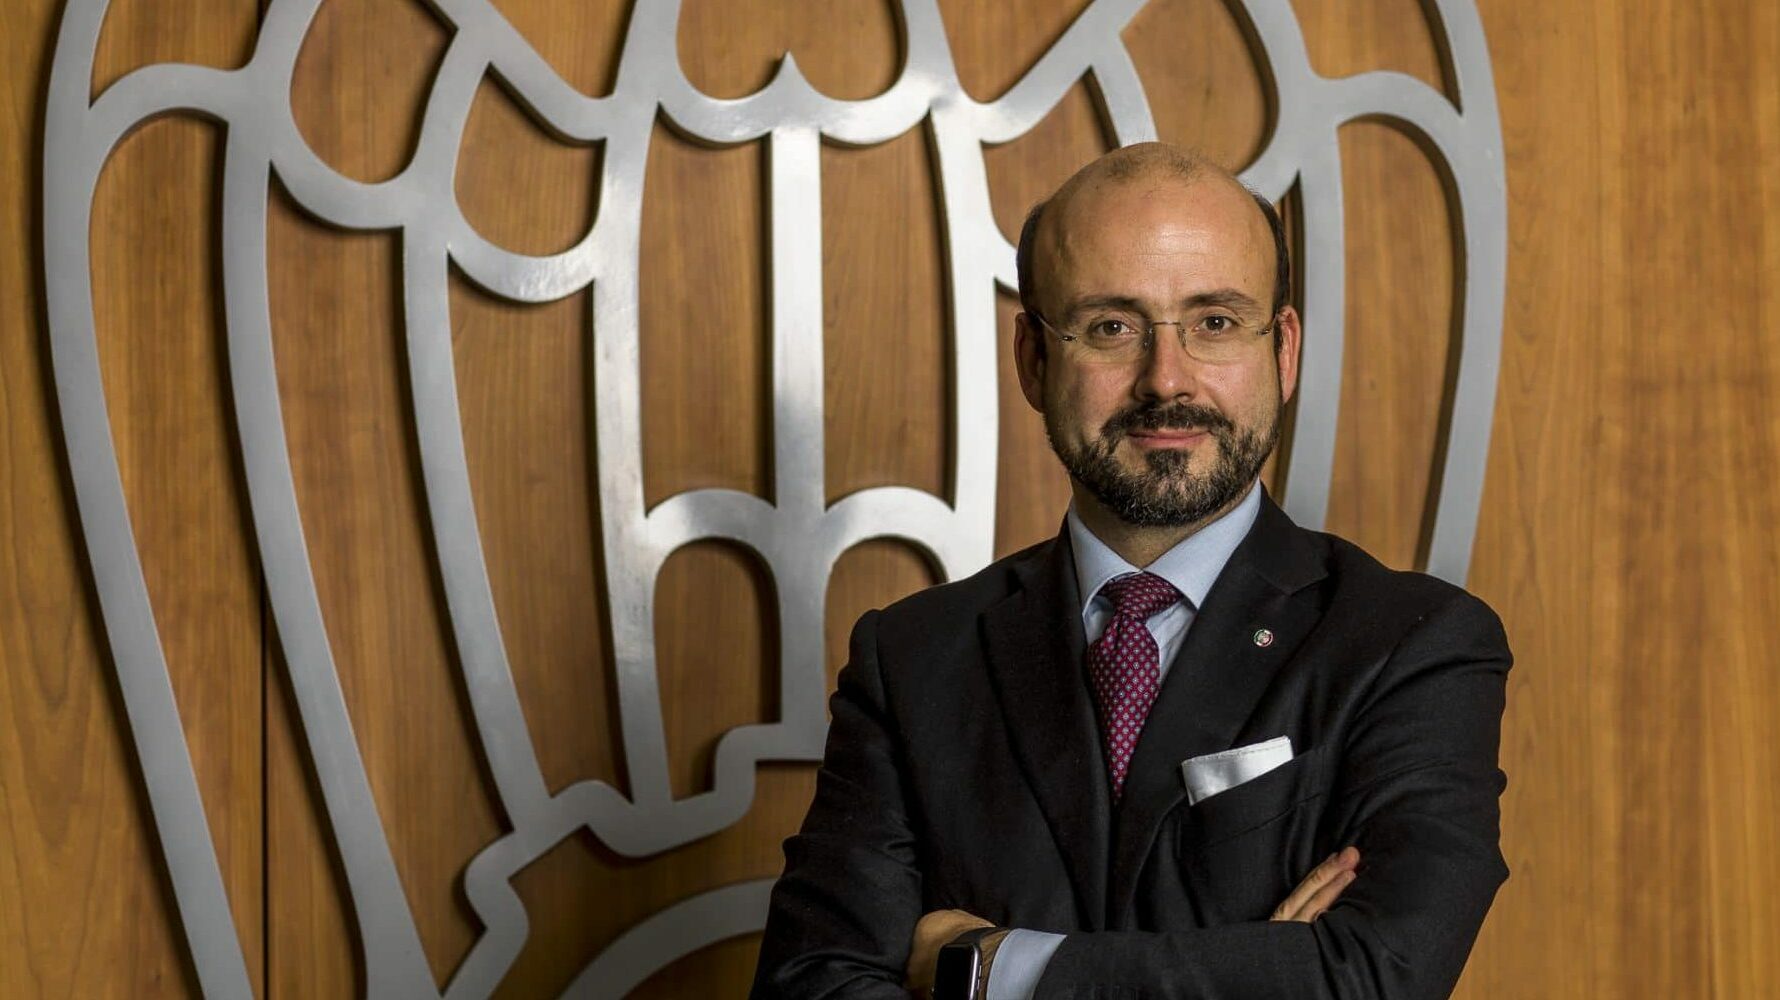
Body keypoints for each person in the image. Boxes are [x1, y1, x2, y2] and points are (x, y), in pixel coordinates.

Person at [752, 142, 1511, 999]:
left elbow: (1372, 978)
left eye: (1215, 322)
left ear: (1284, 351)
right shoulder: (911, 659)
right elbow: (808, 987)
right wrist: (1260, 969)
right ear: (1033, 359)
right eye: (1111, 327)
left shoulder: (1412, 647)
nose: (1166, 380)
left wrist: (991, 969)